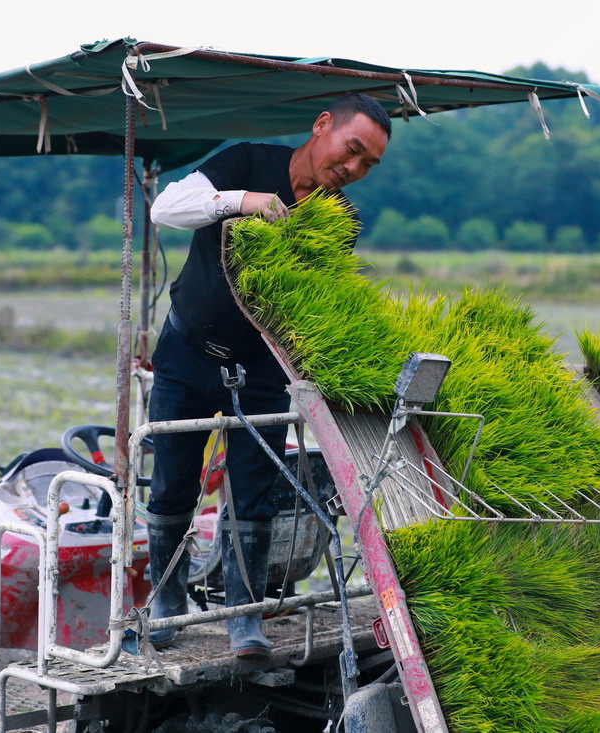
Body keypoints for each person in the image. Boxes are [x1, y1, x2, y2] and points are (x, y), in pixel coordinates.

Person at [145, 93, 391, 658]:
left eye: (367, 165)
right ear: (322, 126)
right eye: (351, 150)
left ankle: (245, 614)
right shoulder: (247, 163)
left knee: (254, 491)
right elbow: (166, 209)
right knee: (173, 479)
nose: (352, 170)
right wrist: (242, 202)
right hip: (187, 349)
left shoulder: (338, 220)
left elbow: (318, 301)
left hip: (260, 366)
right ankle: (165, 598)